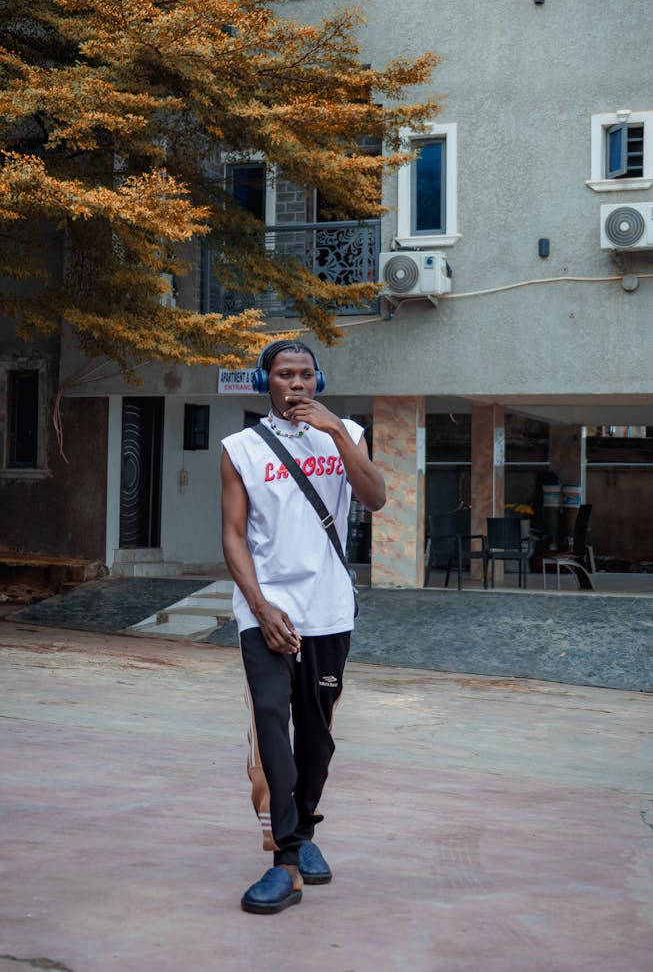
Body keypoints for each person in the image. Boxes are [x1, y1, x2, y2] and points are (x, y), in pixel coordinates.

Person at [220, 339, 386, 914]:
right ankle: (286, 858)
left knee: (316, 734)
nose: (296, 384)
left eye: (306, 375)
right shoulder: (240, 448)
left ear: (319, 380)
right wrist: (260, 606)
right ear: (265, 380)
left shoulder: (348, 435)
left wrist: (337, 433)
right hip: (267, 610)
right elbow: (234, 535)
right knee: (271, 717)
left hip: (328, 608)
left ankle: (306, 830)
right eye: (285, 374)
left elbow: (377, 496)